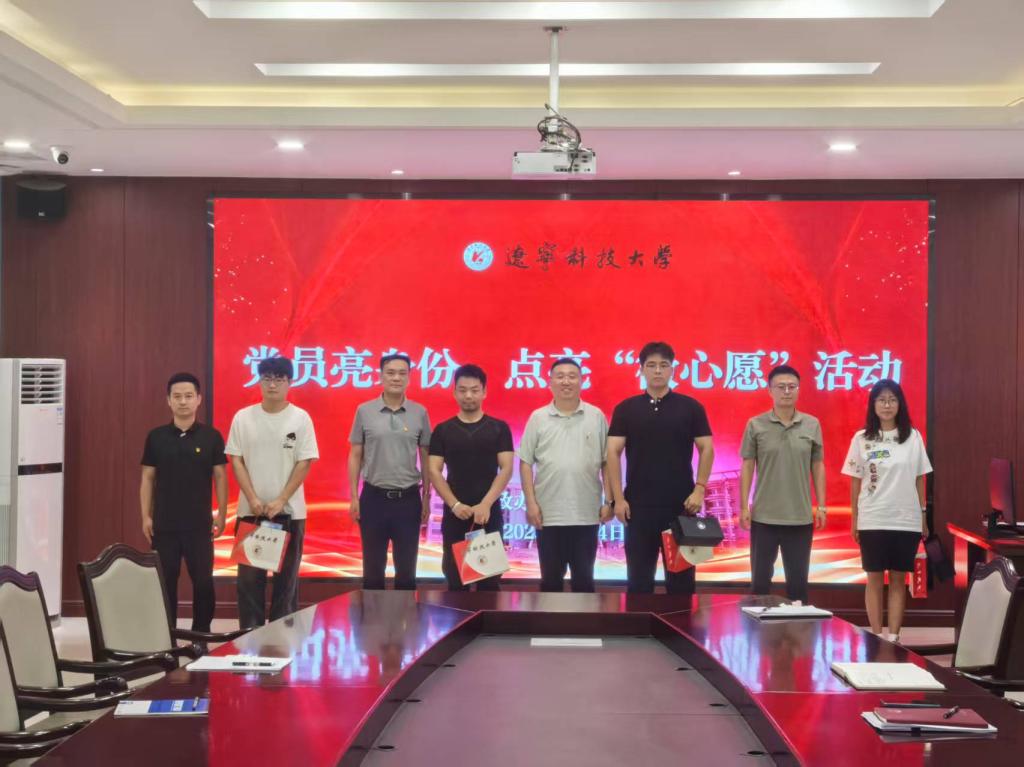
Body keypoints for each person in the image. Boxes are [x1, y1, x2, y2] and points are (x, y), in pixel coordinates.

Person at [606, 341, 714, 594]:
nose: (657, 370)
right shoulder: (626, 409)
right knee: (638, 580)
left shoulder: (691, 407)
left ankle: (681, 620)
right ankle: (639, 621)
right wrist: (618, 500)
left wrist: (699, 489)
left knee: (681, 582)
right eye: (651, 365)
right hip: (638, 509)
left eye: (664, 365)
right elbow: (612, 452)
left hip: (681, 508)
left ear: (672, 370)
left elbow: (707, 448)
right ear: (642, 369)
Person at [226, 356, 318, 629]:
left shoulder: (300, 418)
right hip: (251, 512)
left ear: (290, 382)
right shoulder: (243, 417)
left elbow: (305, 462)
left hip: (289, 513)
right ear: (259, 381)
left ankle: (281, 643)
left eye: (279, 379)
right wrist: (253, 498)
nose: (273, 384)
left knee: (286, 585)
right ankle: (249, 639)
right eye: (267, 378)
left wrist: (281, 499)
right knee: (249, 583)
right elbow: (236, 460)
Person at [842, 379, 931, 642]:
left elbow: (920, 478)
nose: (887, 405)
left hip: (905, 518)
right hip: (872, 518)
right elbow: (855, 481)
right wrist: (855, 519)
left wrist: (923, 515)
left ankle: (893, 638)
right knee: (874, 578)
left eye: (892, 399)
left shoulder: (913, 437)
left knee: (898, 579)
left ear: (900, 404)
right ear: (873, 405)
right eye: (881, 400)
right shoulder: (862, 438)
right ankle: (876, 635)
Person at [140, 372, 227, 632]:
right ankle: (167, 637)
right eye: (177, 396)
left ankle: (201, 636)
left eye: (189, 396)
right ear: (168, 400)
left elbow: (220, 477)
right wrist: (145, 516)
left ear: (199, 399)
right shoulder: (156, 437)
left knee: (203, 582)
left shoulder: (211, 436)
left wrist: (222, 514)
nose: (183, 401)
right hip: (164, 524)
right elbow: (147, 478)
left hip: (199, 524)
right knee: (165, 583)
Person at [519, 357, 612, 593]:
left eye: (572, 376)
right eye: (560, 376)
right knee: (551, 582)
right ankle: (550, 619)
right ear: (550, 382)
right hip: (548, 515)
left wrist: (609, 501)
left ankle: (585, 619)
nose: (566, 381)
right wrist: (531, 504)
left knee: (584, 581)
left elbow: (606, 463)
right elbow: (525, 462)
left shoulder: (596, 416)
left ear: (582, 381)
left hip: (587, 514)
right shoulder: (538, 417)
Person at [739, 365, 826, 604]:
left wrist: (822, 505)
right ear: (770, 391)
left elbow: (818, 465)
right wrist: (743, 506)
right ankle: (757, 626)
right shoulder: (756, 424)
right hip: (764, 517)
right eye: (781, 387)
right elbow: (747, 466)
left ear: (798, 390)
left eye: (792, 387)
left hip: (799, 518)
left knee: (798, 586)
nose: (787, 391)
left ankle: (797, 628)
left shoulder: (811, 424)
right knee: (759, 584)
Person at [348, 353, 432, 590]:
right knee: (373, 570)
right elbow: (355, 454)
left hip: (408, 499)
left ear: (409, 377)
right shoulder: (365, 411)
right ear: (381, 376)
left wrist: (427, 497)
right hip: (373, 498)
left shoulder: (419, 412)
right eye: (391, 373)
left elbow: (426, 456)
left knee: (406, 572)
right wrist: (354, 496)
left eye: (402, 373)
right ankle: (372, 615)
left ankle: (405, 614)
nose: (396, 378)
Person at [428, 364, 514, 590]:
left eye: (474, 390)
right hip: (456, 514)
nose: (468, 395)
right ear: (454, 392)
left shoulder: (499, 428)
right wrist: (454, 504)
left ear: (484, 392)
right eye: (463, 390)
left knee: (489, 584)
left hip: (488, 515)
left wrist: (486, 504)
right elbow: (434, 470)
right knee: (455, 582)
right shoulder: (443, 430)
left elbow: (506, 468)